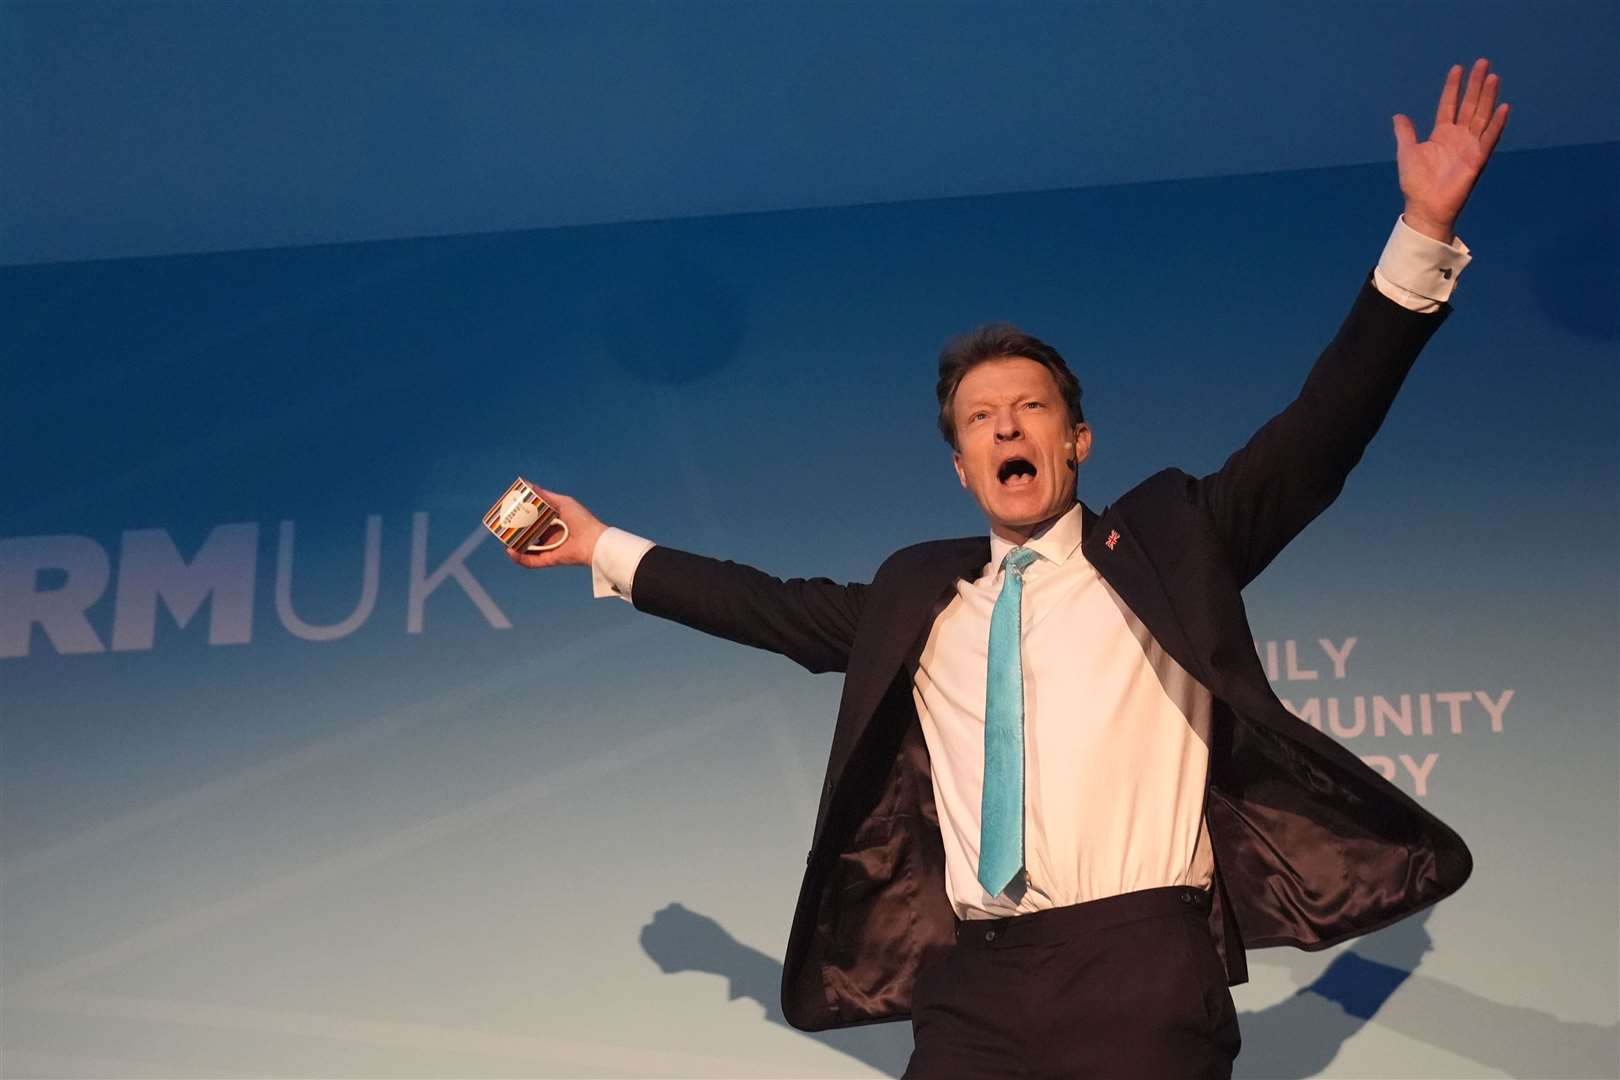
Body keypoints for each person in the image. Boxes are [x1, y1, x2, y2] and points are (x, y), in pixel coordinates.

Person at [507, 60, 1509, 1080]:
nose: (1006, 426)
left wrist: (1420, 237)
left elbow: (1317, 438)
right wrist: (600, 546)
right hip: (977, 981)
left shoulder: (1172, 542)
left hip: (1145, 963)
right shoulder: (923, 599)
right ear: (962, 466)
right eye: (982, 419)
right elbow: (765, 606)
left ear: (1076, 441)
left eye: (1029, 408)